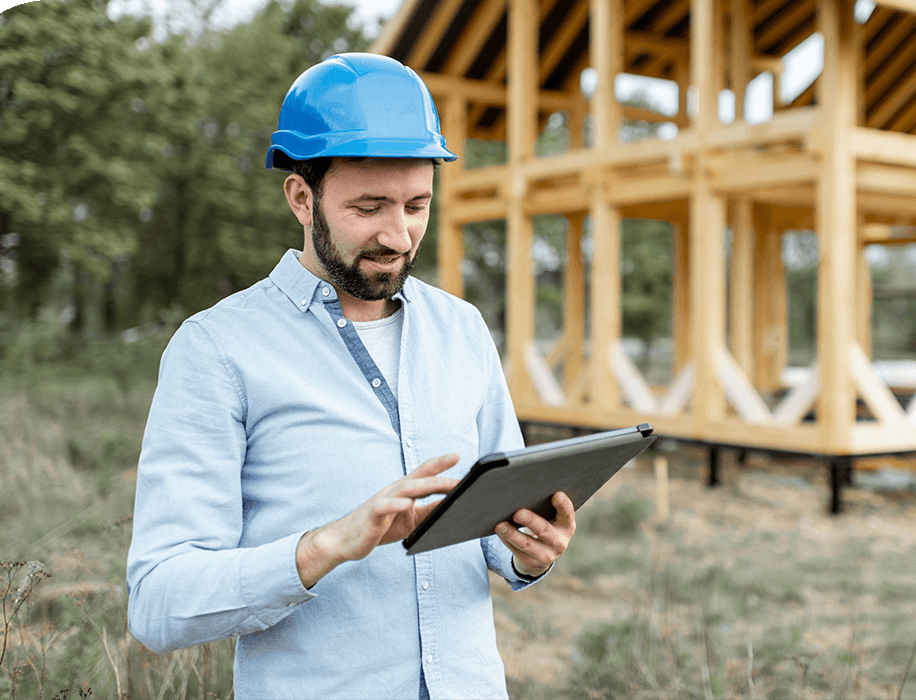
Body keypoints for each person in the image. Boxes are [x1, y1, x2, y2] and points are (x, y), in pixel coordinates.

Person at [125, 53, 577, 699]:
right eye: (369, 208)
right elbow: (158, 605)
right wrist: (326, 545)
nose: (398, 235)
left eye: (417, 206)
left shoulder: (462, 328)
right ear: (301, 197)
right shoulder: (217, 350)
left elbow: (495, 525)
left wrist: (526, 552)